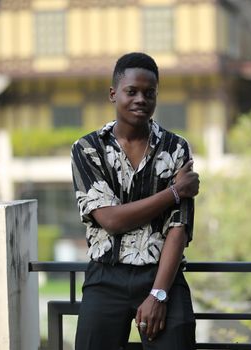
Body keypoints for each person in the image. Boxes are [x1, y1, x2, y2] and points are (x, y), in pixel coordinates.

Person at [71, 52, 200, 350]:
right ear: (113, 94)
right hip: (105, 276)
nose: (141, 98)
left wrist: (158, 294)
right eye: (132, 91)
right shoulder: (87, 149)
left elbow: (178, 228)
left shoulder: (176, 148)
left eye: (149, 93)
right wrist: (174, 193)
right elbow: (110, 220)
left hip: (162, 275)